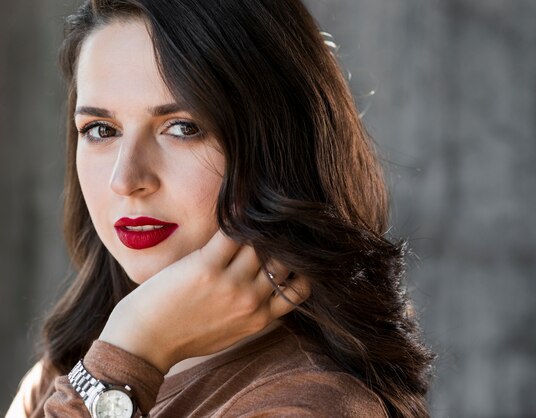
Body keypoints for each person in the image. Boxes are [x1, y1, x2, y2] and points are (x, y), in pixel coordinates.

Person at [7, 0, 434, 417]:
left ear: (276, 148)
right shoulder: (69, 371)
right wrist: (127, 354)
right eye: (101, 129)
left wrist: (131, 359)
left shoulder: (311, 403)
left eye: (182, 128)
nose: (126, 179)